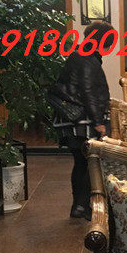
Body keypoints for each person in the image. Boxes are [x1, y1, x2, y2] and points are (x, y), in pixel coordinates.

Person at [48, 21, 113, 219]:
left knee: (81, 163)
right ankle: (83, 206)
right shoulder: (87, 58)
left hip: (73, 120)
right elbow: (88, 91)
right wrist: (98, 122)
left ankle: (78, 206)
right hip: (82, 122)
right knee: (90, 163)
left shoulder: (81, 54)